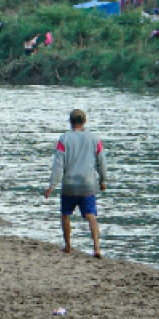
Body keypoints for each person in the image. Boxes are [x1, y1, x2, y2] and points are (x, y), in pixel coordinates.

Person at [43, 109, 108, 258]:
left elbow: (58, 164)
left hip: (70, 184)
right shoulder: (94, 139)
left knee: (65, 214)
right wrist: (102, 180)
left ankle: (68, 246)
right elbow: (101, 162)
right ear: (84, 122)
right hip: (88, 184)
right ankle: (97, 247)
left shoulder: (64, 139)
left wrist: (52, 185)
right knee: (91, 215)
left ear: (70, 122)